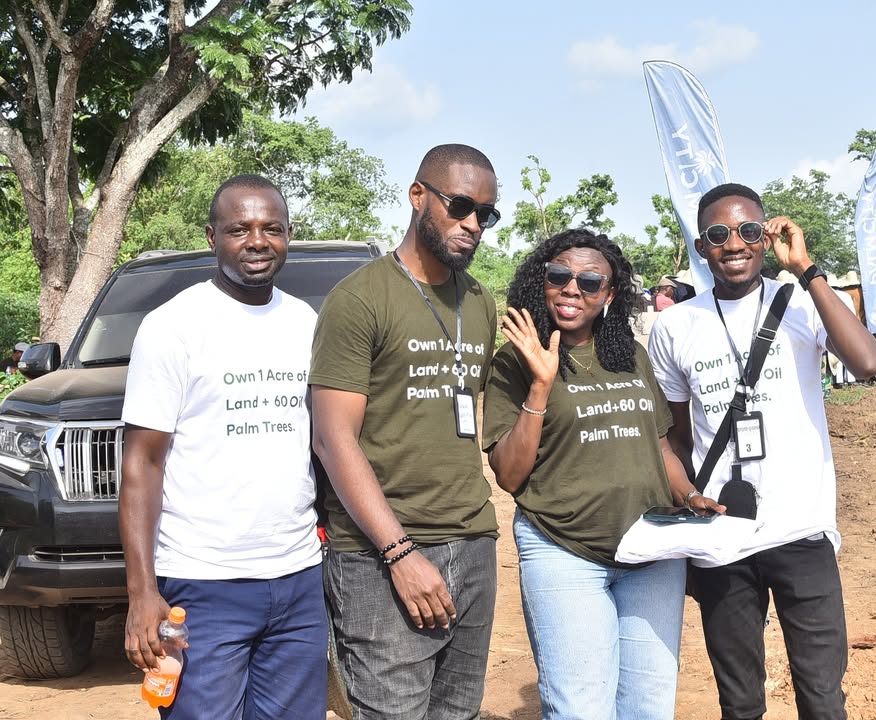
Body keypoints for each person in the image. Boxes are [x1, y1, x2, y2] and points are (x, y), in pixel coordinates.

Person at [648, 183, 876, 719]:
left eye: (749, 231)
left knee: (823, 698)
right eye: (718, 233)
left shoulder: (801, 301)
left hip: (802, 529)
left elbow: (867, 363)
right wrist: (686, 493)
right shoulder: (675, 326)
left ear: (766, 237)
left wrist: (806, 269)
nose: (735, 243)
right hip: (724, 536)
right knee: (741, 701)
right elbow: (676, 434)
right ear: (701, 245)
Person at [482, 229, 718, 719]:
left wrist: (691, 495)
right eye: (560, 276)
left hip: (652, 549)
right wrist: (541, 386)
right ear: (541, 282)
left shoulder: (629, 353)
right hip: (563, 550)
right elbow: (508, 474)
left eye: (591, 282)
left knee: (648, 708)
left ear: (609, 295)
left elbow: (657, 447)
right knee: (580, 710)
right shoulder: (514, 361)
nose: (573, 289)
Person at [119, 175, 327, 719]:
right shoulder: (172, 327)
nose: (258, 241)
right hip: (202, 583)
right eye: (240, 229)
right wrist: (142, 592)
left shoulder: (306, 322)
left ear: (288, 235)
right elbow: (141, 462)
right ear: (212, 238)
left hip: (298, 577)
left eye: (271, 228)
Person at [309, 144, 501, 720]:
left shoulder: (480, 302)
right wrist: (399, 552)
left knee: (457, 713)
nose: (471, 224)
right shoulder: (360, 298)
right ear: (418, 196)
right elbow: (332, 438)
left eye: (485, 214)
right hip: (379, 557)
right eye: (460, 205)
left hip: (472, 545)